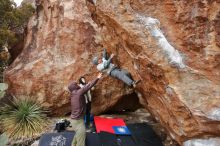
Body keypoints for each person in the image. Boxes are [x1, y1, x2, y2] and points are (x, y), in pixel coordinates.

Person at [67, 73, 102, 146]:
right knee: (81, 142)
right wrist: (97, 77)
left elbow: (86, 87)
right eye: (77, 84)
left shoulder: (73, 94)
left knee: (77, 138)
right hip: (78, 121)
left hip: (75, 120)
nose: (78, 85)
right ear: (75, 87)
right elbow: (89, 86)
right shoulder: (78, 93)